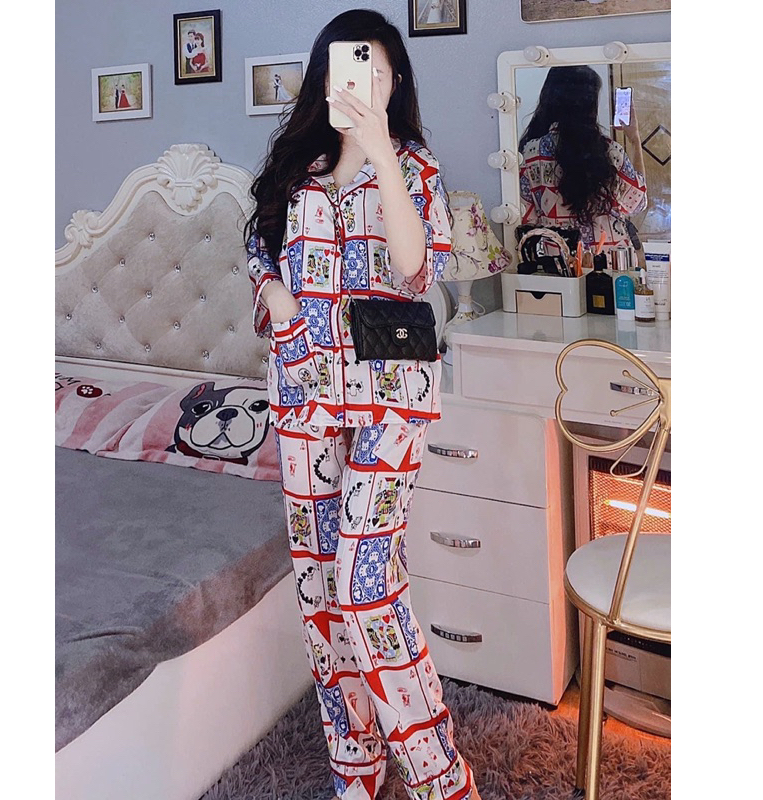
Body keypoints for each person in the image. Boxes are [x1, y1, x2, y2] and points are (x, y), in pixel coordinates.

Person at [246, 9, 481, 800]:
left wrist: (381, 152)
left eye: (377, 69)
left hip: (390, 396)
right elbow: (258, 245)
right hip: (305, 389)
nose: (361, 81)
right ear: (324, 79)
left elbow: (417, 273)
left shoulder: (416, 167)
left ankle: (440, 776)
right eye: (349, 67)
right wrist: (276, 296)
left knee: (365, 584)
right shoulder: (296, 168)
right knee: (320, 590)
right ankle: (357, 763)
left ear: (395, 81)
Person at [518, 65, 647, 250]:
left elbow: (526, 219)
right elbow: (637, 203)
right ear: (591, 104)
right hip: (611, 262)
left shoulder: (530, 154)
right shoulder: (610, 152)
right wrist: (635, 139)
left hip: (560, 262)